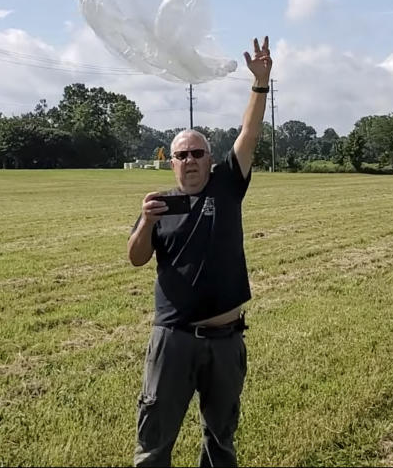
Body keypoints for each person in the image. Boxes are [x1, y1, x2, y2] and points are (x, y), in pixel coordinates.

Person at [127, 36, 273, 467]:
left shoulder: (227, 187)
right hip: (173, 341)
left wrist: (260, 84)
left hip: (226, 342)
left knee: (221, 439)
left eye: (197, 153)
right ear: (170, 162)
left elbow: (248, 134)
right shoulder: (157, 205)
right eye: (181, 155)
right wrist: (147, 221)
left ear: (211, 160)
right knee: (154, 444)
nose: (189, 161)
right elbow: (136, 258)